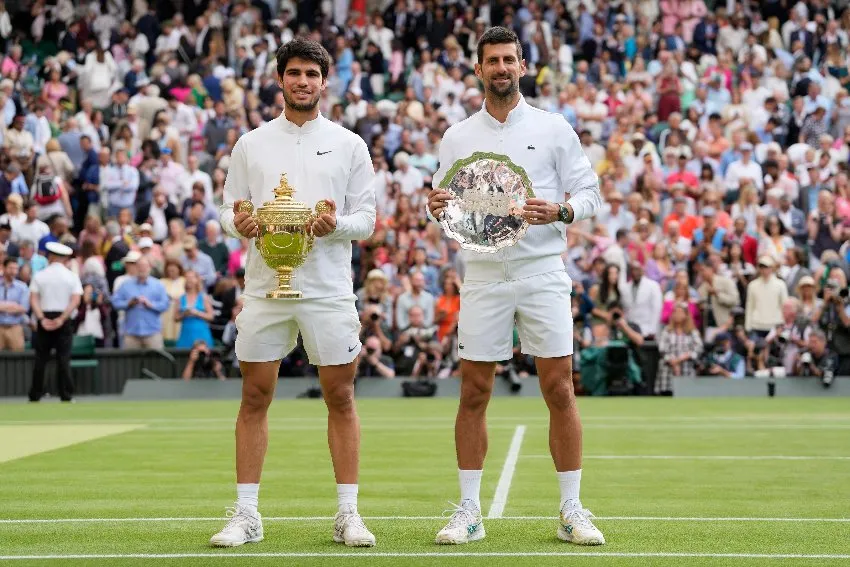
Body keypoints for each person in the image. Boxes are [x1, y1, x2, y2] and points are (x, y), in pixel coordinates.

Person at [426, 27, 605, 546]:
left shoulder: (553, 128)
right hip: (482, 276)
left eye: (509, 60)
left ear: (522, 66)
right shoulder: (457, 137)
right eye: (492, 61)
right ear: (478, 70)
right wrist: (438, 209)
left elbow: (589, 191)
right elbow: (451, 208)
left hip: (543, 271)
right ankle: (468, 511)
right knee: (473, 392)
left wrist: (563, 209)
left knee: (559, 389)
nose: (501, 68)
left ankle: (571, 509)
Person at [211, 38, 377, 548]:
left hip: (328, 290)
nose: (303, 81)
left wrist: (333, 225)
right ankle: (246, 514)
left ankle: (348, 513)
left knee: (341, 396)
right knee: (254, 396)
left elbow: (366, 221)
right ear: (279, 79)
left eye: (311, 73)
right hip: (264, 289)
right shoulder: (250, 144)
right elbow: (227, 212)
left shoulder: (350, 144)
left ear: (325, 82)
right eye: (294, 73)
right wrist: (239, 224)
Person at [28, 242, 83, 402]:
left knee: (41, 359)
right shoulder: (72, 276)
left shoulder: (40, 275)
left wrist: (41, 318)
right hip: (63, 320)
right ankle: (66, 395)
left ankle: (35, 395)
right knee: (63, 358)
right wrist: (62, 318)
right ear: (65, 258)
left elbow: (34, 299)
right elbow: (75, 300)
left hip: (45, 317)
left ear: (51, 256)